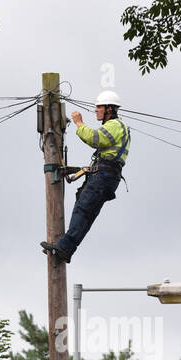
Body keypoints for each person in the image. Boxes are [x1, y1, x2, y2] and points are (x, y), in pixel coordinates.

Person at [41, 91, 130, 263]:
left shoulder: (115, 125)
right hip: (107, 176)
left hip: (104, 176)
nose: (95, 110)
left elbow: (95, 139)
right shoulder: (118, 126)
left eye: (99, 107)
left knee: (83, 210)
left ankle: (64, 246)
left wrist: (79, 123)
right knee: (86, 213)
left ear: (109, 109)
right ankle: (66, 248)